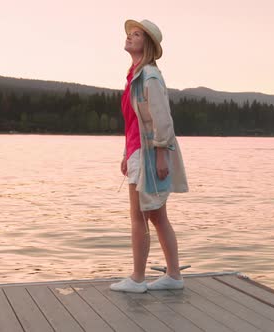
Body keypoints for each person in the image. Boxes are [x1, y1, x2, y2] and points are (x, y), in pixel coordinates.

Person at [110, 19, 189, 293]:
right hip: (137, 151)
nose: (130, 38)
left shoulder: (149, 77)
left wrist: (161, 155)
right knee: (156, 217)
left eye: (136, 35)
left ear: (148, 44)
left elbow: (162, 119)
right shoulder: (135, 74)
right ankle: (174, 276)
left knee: (139, 216)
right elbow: (134, 121)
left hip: (148, 154)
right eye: (130, 34)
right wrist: (125, 153)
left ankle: (138, 278)